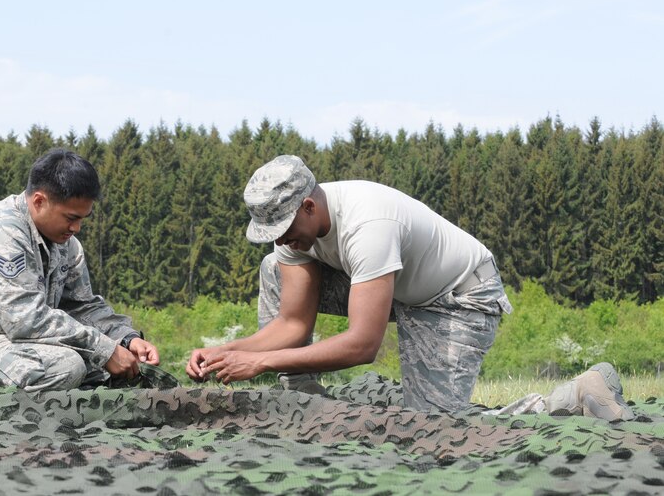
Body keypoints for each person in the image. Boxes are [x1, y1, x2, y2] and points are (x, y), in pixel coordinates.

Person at [187, 155, 634, 421]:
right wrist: (233, 352)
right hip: (398, 289)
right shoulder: (295, 236)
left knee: (437, 431)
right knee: (273, 268)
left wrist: (262, 361)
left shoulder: (369, 224)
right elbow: (291, 321)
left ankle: (573, 395)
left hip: (458, 299)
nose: (283, 239)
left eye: (285, 228)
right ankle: (302, 405)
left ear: (309, 205)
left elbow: (363, 344)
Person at [0, 149, 160, 392]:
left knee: (116, 367)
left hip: (11, 344)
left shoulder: (66, 244)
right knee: (66, 366)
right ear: (39, 201)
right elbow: (23, 319)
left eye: (83, 218)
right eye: (71, 218)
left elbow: (82, 306)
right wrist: (104, 349)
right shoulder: (4, 231)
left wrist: (126, 339)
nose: (77, 228)